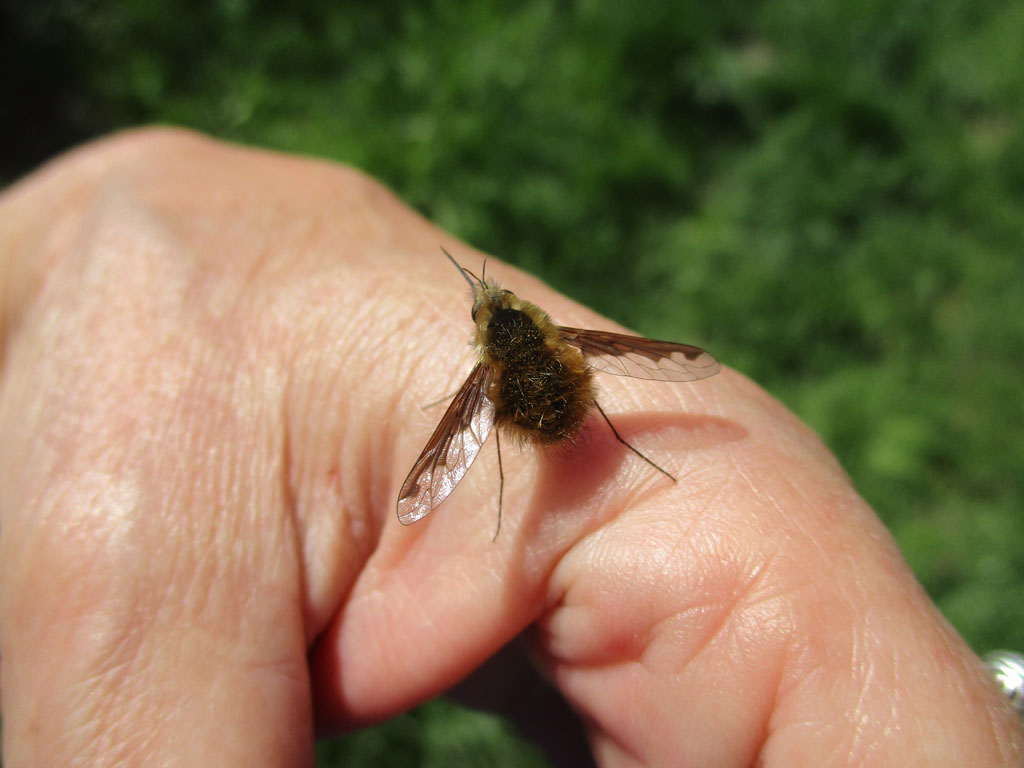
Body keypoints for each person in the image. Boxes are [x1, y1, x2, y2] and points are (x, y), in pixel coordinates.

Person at [0, 128, 1020, 767]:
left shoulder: (484, 381)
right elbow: (639, 361)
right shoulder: (557, 344)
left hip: (540, 425)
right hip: (568, 416)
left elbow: (467, 436)